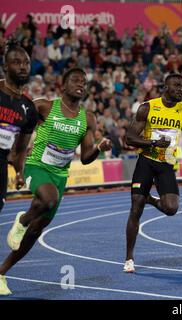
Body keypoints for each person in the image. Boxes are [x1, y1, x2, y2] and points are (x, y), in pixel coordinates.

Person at [0, 68, 112, 295]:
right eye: (75, 80)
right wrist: (17, 160)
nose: (80, 84)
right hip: (37, 166)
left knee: (36, 231)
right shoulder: (44, 106)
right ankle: (22, 220)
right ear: (63, 85)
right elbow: (20, 123)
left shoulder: (87, 118)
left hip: (59, 176)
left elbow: (87, 156)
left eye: (84, 81)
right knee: (48, 199)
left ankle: (2, 272)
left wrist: (99, 148)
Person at [124, 73, 182, 273]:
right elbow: (129, 137)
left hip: (166, 164)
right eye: (177, 86)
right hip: (146, 161)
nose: (181, 89)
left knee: (171, 208)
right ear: (165, 87)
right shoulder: (148, 107)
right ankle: (129, 258)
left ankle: (151, 199)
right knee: (135, 209)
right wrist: (153, 142)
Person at [0, 41, 39, 214]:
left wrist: (19, 171)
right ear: (5, 66)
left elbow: (21, 148)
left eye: (26, 63)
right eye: (17, 62)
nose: (23, 67)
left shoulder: (29, 109)